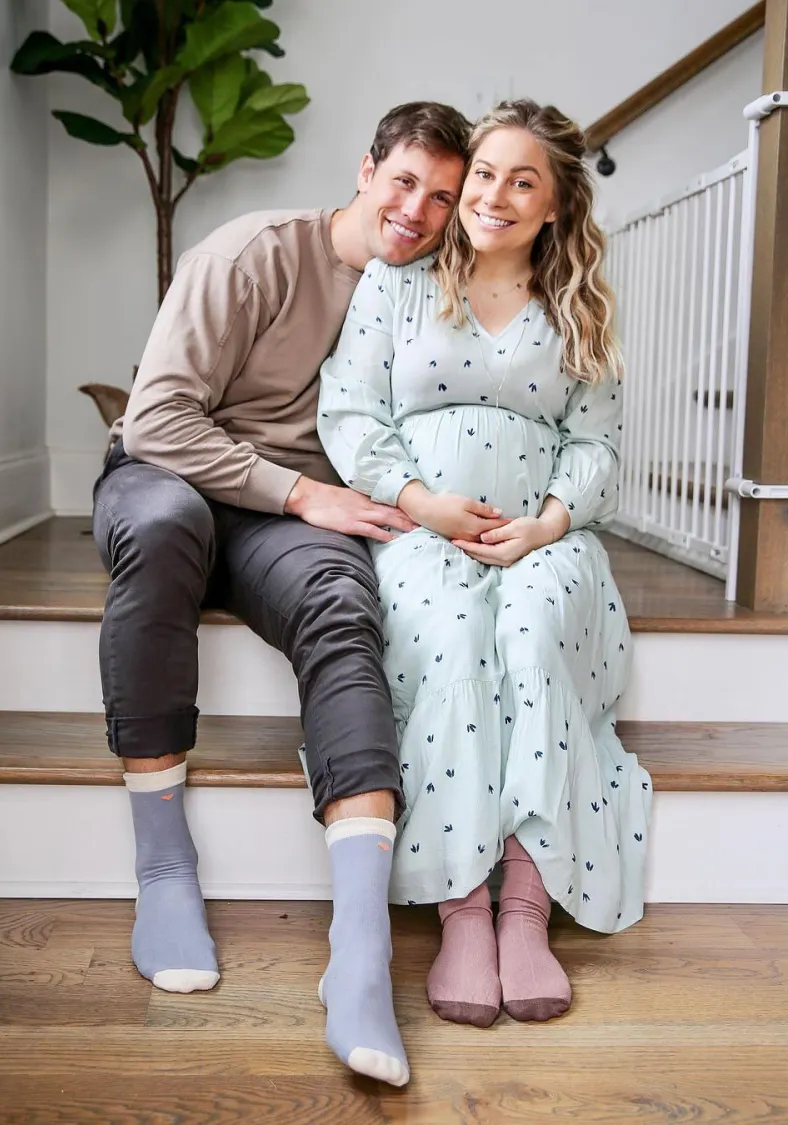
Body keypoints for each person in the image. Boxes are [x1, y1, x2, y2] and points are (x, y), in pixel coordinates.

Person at [92, 101, 477, 1087]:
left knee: (343, 608)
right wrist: (303, 490)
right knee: (170, 523)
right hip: (171, 477)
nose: (417, 209)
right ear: (365, 169)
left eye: (440, 196)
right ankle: (165, 866)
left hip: (289, 523)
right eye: (404, 181)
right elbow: (155, 423)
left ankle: (359, 955)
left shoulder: (433, 293)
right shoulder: (254, 255)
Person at [318, 99, 652, 1031]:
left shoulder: (578, 306)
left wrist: (546, 525)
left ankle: (526, 905)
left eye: (523, 180)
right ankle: (463, 903)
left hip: (548, 538)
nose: (493, 196)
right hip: (419, 530)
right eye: (487, 175)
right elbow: (349, 410)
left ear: (553, 206)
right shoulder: (400, 285)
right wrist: (422, 502)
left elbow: (598, 449)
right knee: (459, 633)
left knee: (529, 626)